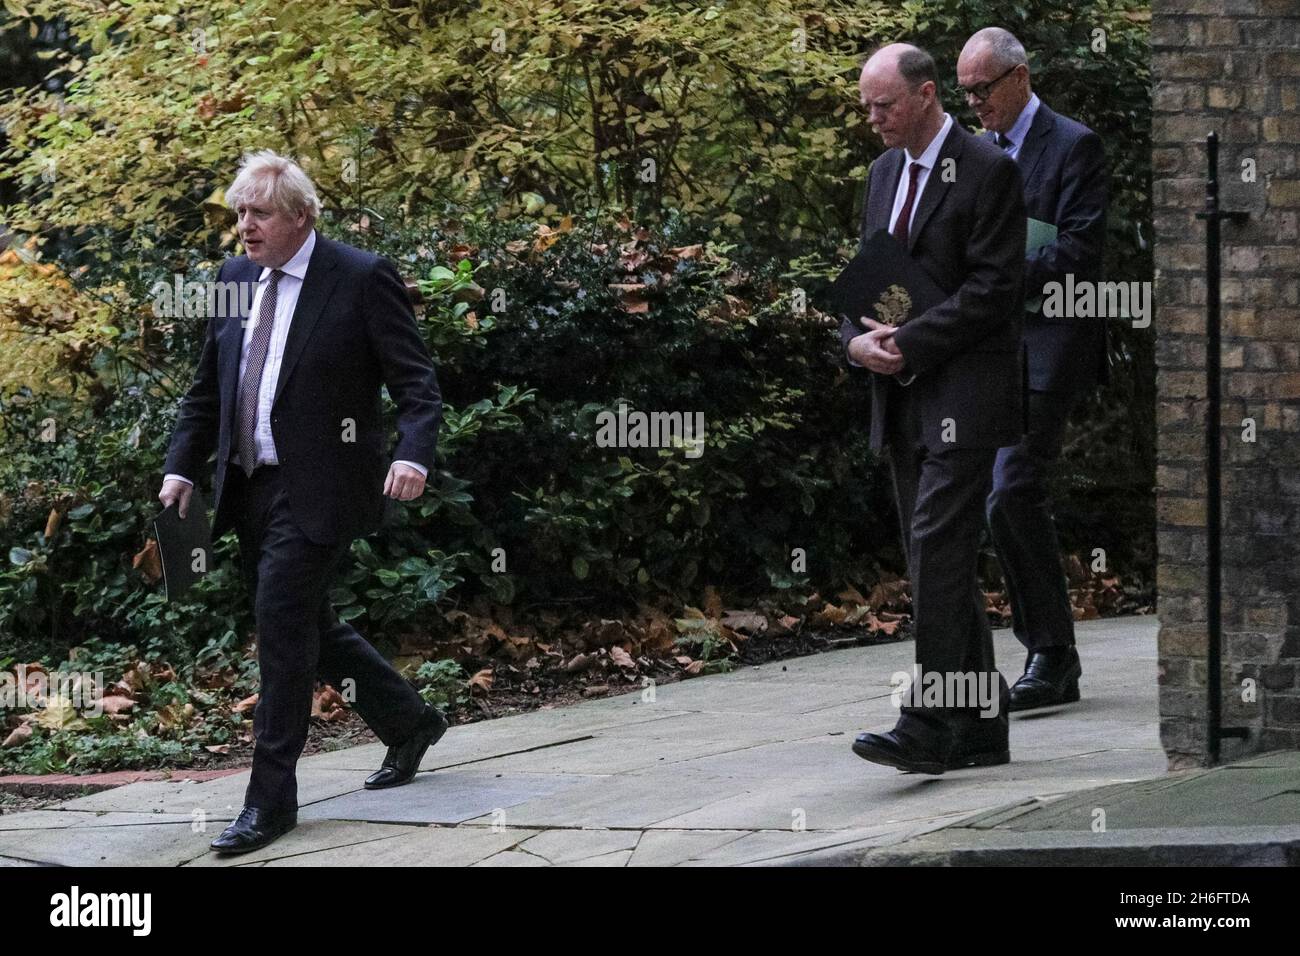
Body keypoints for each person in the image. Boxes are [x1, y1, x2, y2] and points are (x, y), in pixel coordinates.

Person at [158, 150, 448, 853]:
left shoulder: (358, 277)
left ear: (300, 216)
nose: (244, 227)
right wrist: (180, 470)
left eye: (258, 213)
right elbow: (207, 391)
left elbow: (417, 384)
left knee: (281, 623)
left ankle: (271, 801)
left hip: (321, 486)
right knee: (308, 621)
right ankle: (408, 721)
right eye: (238, 214)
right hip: (249, 485)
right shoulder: (232, 278)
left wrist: (412, 452)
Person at [843, 43, 1025, 774]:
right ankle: (983, 723)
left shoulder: (989, 171)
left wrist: (911, 341)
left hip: (968, 392)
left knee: (937, 547)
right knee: (936, 554)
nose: (874, 119)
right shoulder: (883, 174)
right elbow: (868, 281)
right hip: (903, 394)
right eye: (866, 106)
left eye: (884, 105)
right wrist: (854, 346)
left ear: (925, 96)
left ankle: (929, 719)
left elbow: (994, 290)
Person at [957, 27, 1108, 712]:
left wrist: (1000, 272)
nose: (976, 104)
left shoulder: (1073, 145)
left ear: (1020, 77)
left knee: (1010, 492)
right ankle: (1040, 652)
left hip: (1049, 346)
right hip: (988, 352)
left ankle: (1051, 655)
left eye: (983, 90)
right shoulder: (974, 154)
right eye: (966, 93)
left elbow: (1080, 252)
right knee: (994, 498)